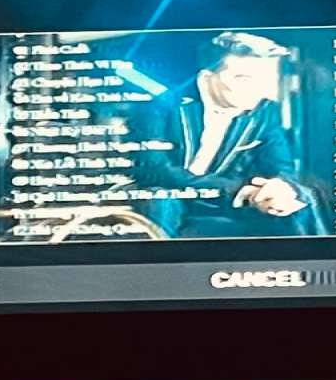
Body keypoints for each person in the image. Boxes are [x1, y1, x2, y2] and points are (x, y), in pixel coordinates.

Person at [124, 31, 323, 237]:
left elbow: (280, 167)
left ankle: (322, 256)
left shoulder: (265, 111)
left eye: (263, 80)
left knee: (298, 198)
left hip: (227, 201)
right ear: (206, 79)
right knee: (161, 199)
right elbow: (155, 170)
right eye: (243, 79)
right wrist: (235, 190)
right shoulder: (160, 107)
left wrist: (280, 187)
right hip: (175, 193)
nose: (258, 90)